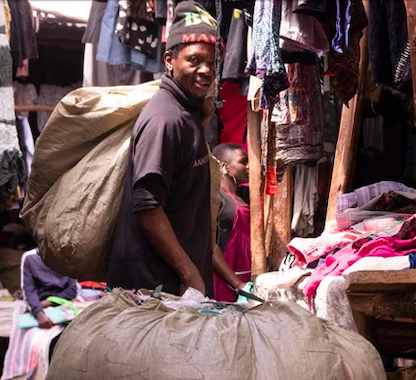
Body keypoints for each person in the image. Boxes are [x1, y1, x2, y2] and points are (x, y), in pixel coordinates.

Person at [107, 1, 246, 299]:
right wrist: (189, 272)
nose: (206, 70)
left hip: (174, 286)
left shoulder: (188, 113)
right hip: (153, 290)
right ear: (169, 60)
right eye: (194, 60)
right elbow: (147, 207)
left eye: (212, 62)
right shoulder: (165, 120)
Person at [211, 143, 252, 302]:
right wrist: (238, 284)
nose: (249, 166)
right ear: (225, 166)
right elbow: (210, 246)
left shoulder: (244, 196)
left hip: (246, 278)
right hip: (224, 283)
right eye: (243, 162)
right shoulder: (216, 197)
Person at [22, 251, 79, 330]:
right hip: (37, 309)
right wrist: (39, 313)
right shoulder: (30, 257)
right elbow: (29, 291)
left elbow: (72, 291)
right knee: (36, 340)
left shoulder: (69, 258)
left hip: (63, 306)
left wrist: (47, 303)